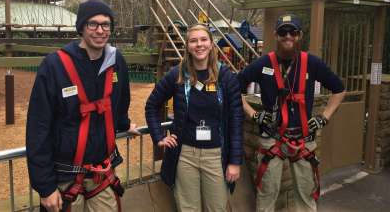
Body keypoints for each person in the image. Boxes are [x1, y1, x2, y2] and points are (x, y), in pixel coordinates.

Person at [26, 0, 139, 212]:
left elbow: (121, 100)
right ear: (81, 28)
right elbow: (38, 127)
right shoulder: (55, 65)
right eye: (92, 24)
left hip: (101, 172)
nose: (100, 30)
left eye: (105, 25)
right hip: (65, 176)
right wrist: (45, 187)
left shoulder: (116, 61)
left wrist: (124, 123)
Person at [237, 14, 345, 212]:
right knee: (267, 194)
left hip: (304, 139)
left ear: (300, 35)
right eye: (283, 32)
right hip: (272, 139)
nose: (288, 36)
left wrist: (324, 117)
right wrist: (253, 114)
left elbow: (339, 89)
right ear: (276, 35)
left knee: (306, 194)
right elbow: (235, 89)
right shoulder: (263, 64)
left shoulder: (312, 64)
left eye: (292, 32)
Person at [145, 24, 244, 211]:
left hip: (216, 155)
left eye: (203, 39)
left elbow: (236, 120)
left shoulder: (226, 77)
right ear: (187, 45)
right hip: (185, 155)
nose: (199, 45)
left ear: (211, 43)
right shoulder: (177, 74)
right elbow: (152, 105)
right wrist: (159, 137)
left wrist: (234, 161)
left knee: (217, 207)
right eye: (193, 40)